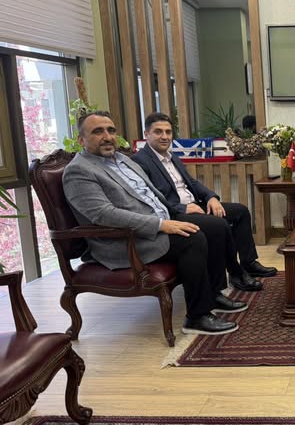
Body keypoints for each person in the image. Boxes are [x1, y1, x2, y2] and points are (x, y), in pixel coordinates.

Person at [63, 111, 247, 336]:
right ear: (81, 140)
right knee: (193, 238)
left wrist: (175, 214)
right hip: (128, 240)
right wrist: (161, 224)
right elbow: (104, 214)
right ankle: (197, 317)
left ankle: (213, 294)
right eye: (97, 131)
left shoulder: (122, 160)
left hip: (160, 220)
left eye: (111, 130)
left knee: (215, 226)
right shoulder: (79, 171)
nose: (107, 136)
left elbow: (152, 194)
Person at [133, 113, 277, 291]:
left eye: (168, 132)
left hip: (195, 205)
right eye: (158, 132)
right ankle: (235, 274)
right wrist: (183, 208)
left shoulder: (171, 156)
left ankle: (249, 263)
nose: (164, 136)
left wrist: (211, 197)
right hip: (174, 213)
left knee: (240, 211)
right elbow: (151, 198)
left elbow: (192, 183)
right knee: (219, 224)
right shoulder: (139, 161)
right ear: (146, 134)